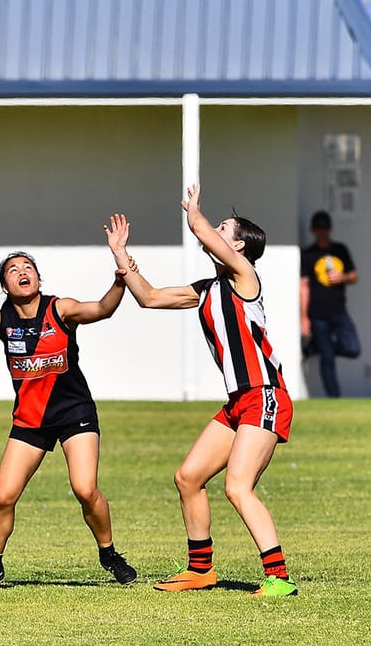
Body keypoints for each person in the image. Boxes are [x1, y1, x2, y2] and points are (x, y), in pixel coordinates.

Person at [115, 186, 298, 597]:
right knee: (188, 477)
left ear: (238, 246)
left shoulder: (244, 275)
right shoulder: (207, 288)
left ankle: (279, 578)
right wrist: (121, 257)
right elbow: (149, 298)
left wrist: (195, 213)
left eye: (223, 229)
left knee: (238, 485)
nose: (213, 231)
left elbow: (200, 231)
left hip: (265, 394)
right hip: (238, 402)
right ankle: (200, 570)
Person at [0, 222, 137, 590]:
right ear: (5, 286)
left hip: (74, 413)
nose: (23, 273)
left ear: (38, 278)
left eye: (28, 268)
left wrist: (120, 281)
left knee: (85, 489)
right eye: (13, 270)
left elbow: (101, 309)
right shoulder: (1, 319)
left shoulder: (60, 308)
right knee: (4, 496)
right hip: (30, 419)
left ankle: (109, 553)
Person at [299, 210, 360, 398]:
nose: (322, 231)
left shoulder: (340, 250)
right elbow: (304, 286)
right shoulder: (308, 254)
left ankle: (316, 347)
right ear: (313, 230)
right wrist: (304, 318)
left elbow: (354, 276)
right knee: (327, 360)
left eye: (325, 227)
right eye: (318, 228)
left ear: (330, 229)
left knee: (353, 348)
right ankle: (334, 399)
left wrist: (343, 277)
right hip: (317, 313)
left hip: (339, 309)